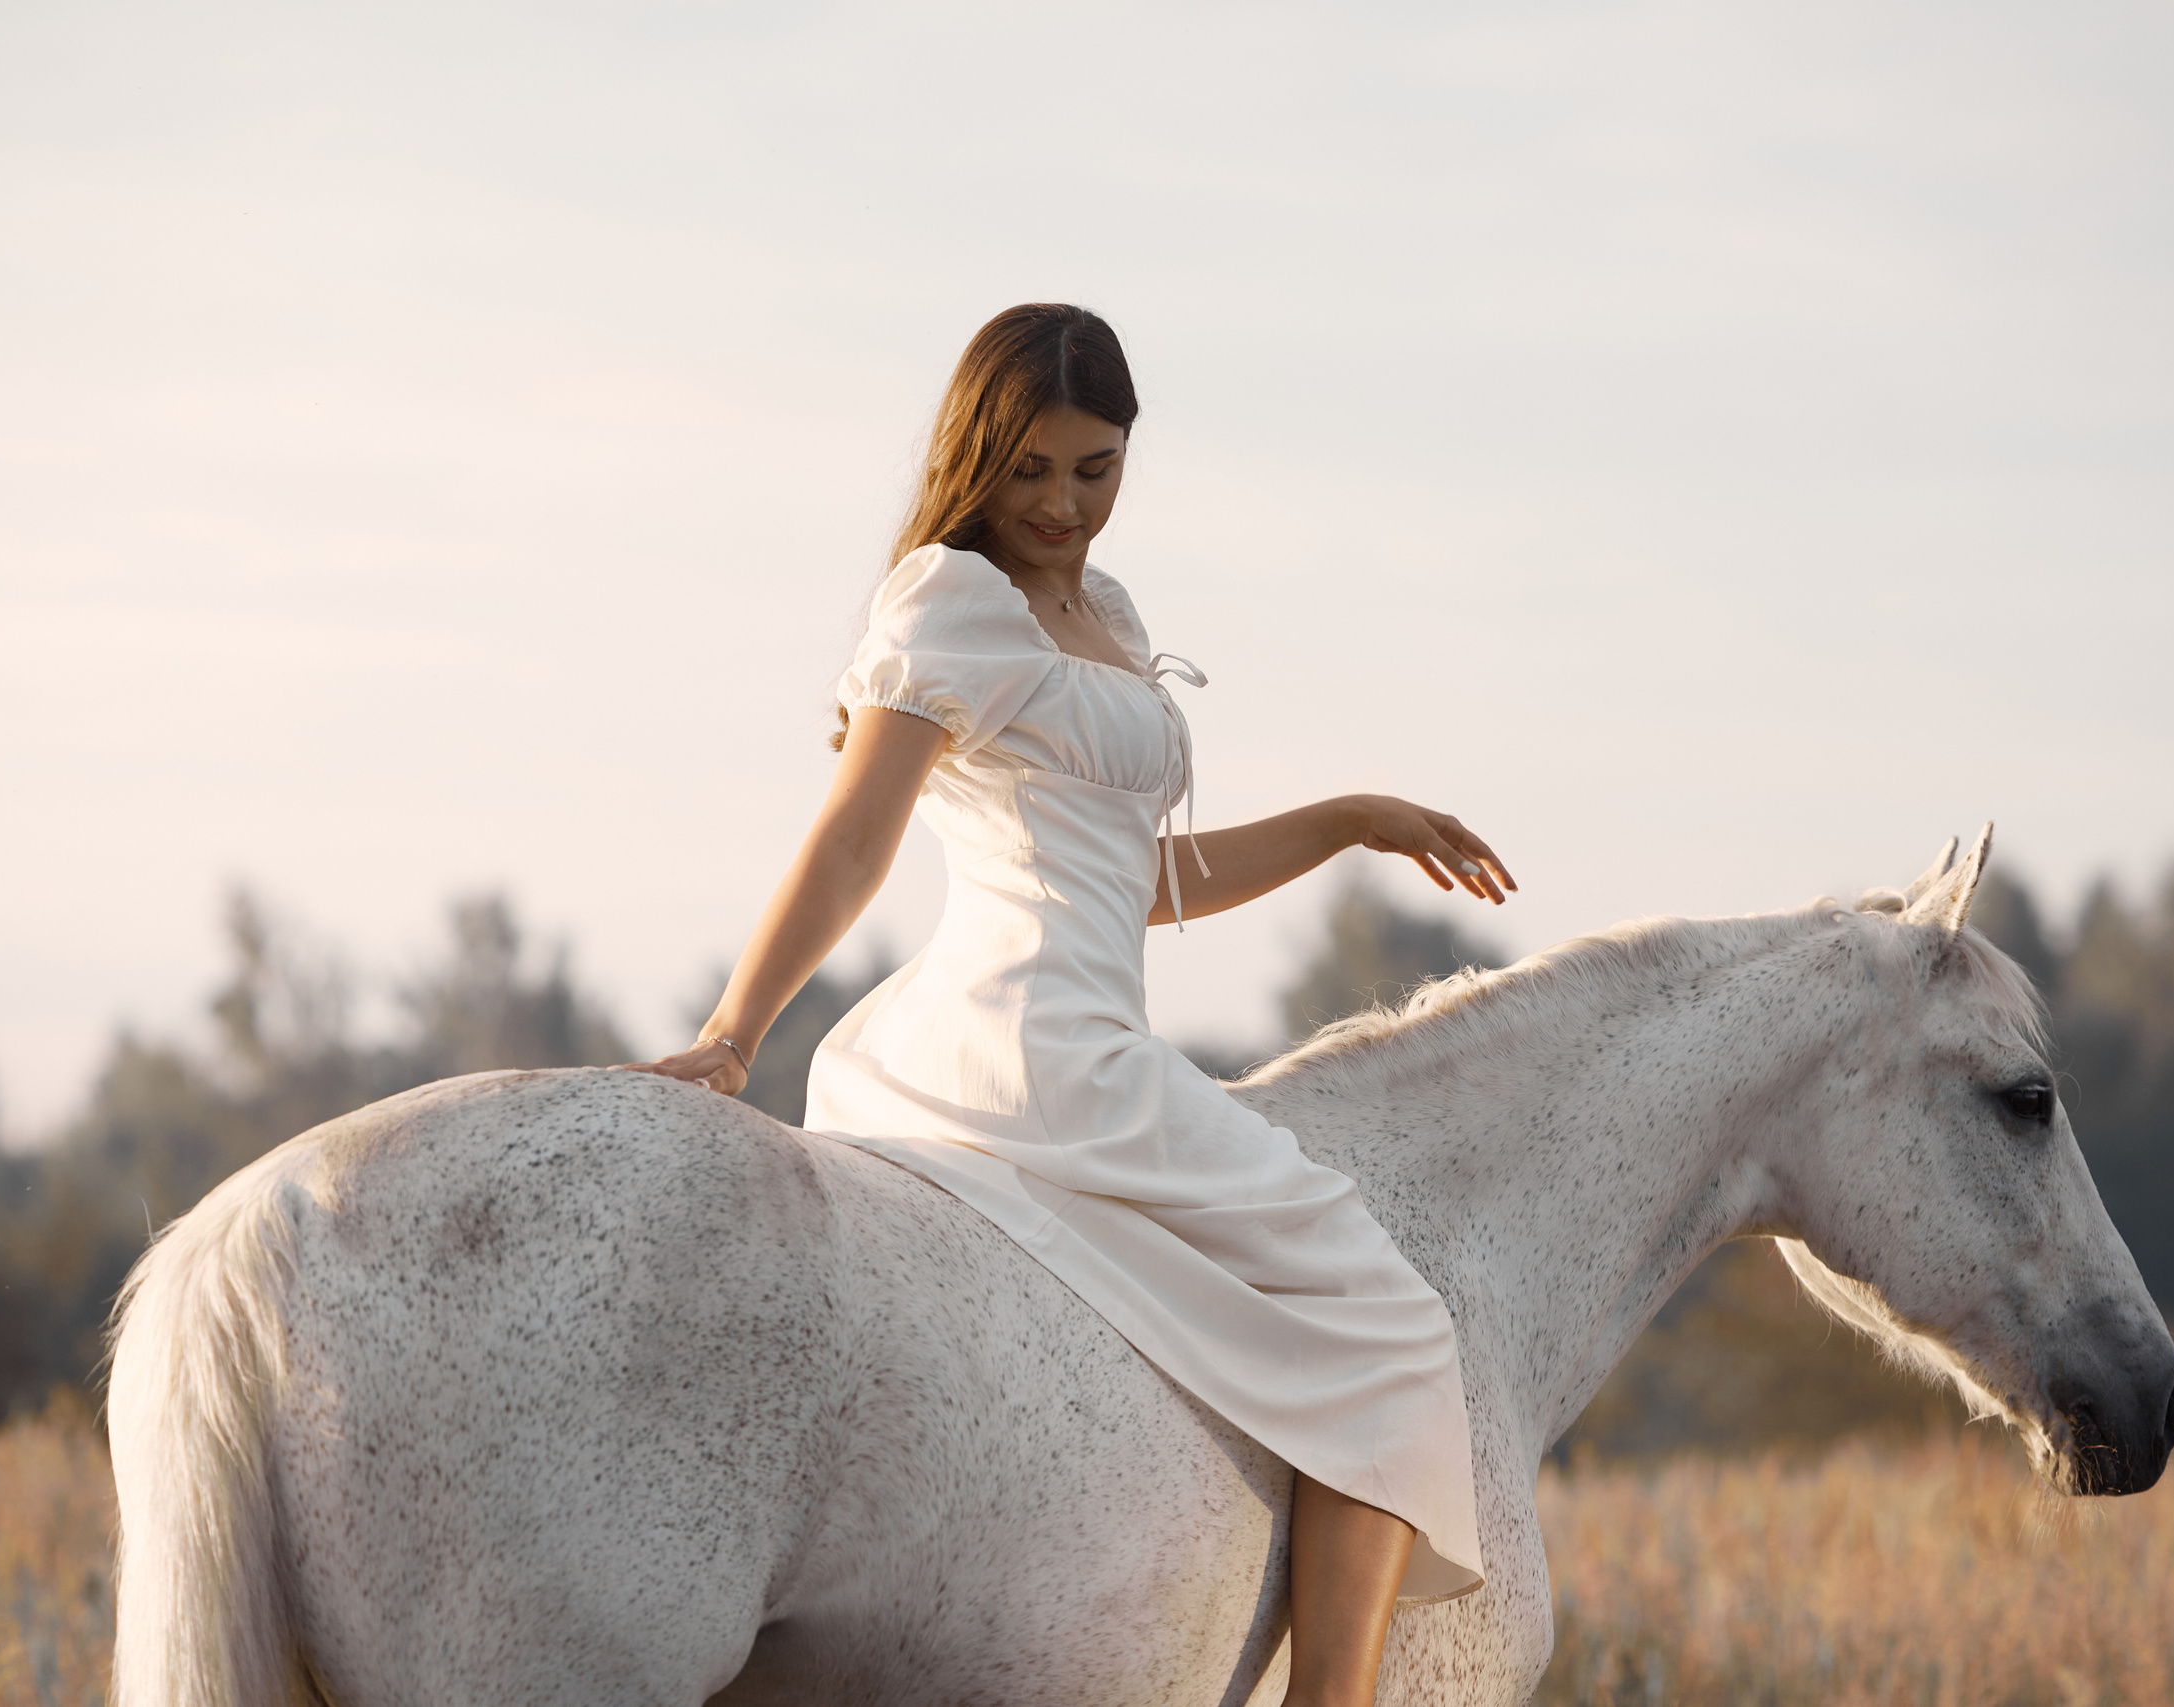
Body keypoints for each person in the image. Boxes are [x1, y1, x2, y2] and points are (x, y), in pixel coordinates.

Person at [629, 303, 1514, 1706]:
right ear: (978, 454)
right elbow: (855, 834)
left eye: (1092, 471)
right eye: (1030, 469)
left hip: (1065, 1032)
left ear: (1126, 459)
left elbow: (1143, 880)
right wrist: (740, 1030)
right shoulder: (946, 600)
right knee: (1396, 1318)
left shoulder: (1109, 616)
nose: (1059, 504)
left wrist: (1351, 818)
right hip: (1039, 1050)